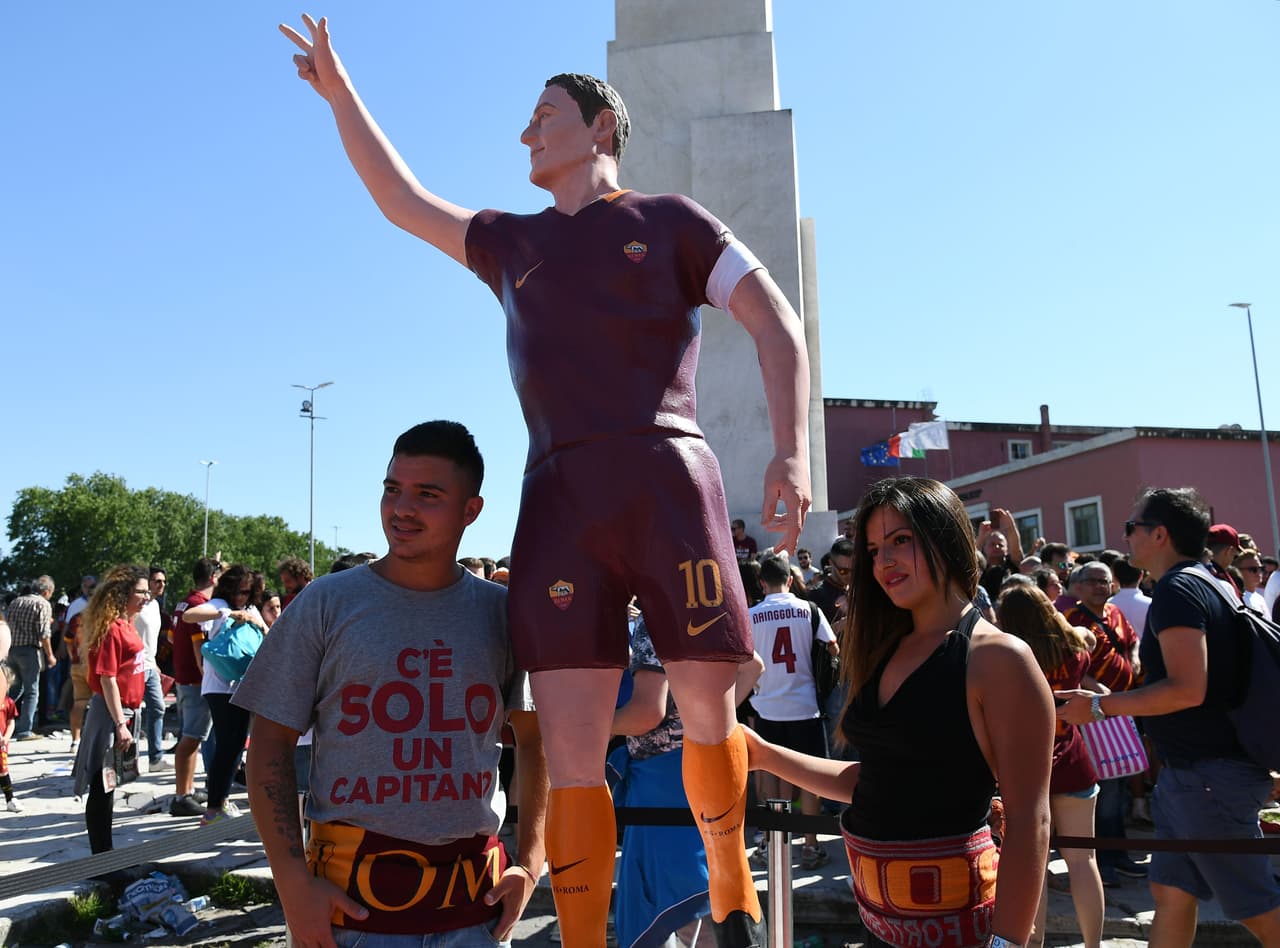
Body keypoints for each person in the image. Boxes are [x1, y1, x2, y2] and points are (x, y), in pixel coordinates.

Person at [281, 18, 812, 947]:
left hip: (670, 474)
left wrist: (792, 451)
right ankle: (581, 938)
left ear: (602, 127)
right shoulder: (509, 242)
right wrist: (340, 94)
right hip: (560, 496)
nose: (527, 134)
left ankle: (733, 892)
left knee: (704, 702)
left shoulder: (675, 221)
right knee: (568, 746)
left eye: (545, 116)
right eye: (525, 121)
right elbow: (402, 201)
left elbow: (776, 324)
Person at [235, 421, 547, 946]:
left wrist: (533, 862)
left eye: (427, 495)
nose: (401, 509)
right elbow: (268, 745)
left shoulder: (502, 613)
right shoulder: (326, 603)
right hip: (350, 919)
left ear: (471, 511)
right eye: (392, 489)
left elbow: (537, 740)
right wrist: (292, 886)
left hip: (475, 915)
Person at [743, 477, 1053, 948]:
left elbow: (1031, 817)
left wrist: (1008, 942)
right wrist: (763, 754)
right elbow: (875, 782)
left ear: (946, 538)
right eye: (872, 549)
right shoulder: (884, 649)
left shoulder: (999, 658)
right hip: (876, 926)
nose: (883, 561)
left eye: (900, 541)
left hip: (961, 931)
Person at [1058, 488, 1280, 943]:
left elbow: (1187, 688)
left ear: (1160, 534)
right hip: (1200, 776)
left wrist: (1098, 707)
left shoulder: (1179, 589)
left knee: (1258, 908)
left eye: (1131, 528)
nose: (1126, 538)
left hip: (1208, 780)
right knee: (1172, 891)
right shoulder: (1209, 579)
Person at [611, 615, 763, 948]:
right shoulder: (713, 608)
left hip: (662, 784)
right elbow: (754, 667)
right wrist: (705, 720)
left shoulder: (658, 618)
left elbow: (647, 713)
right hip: (709, 769)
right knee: (706, 893)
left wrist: (587, 727)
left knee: (668, 902)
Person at [996, 585, 1104, 948]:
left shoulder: (1008, 658)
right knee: (1084, 861)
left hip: (1027, 769)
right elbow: (1086, 640)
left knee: (1033, 868)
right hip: (1073, 761)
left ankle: (1033, 944)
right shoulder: (1075, 651)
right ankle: (1094, 945)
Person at [746, 554, 837, 870]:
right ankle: (810, 846)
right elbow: (832, 647)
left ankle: (772, 841)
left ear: (762, 582)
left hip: (767, 705)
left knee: (769, 772)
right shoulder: (808, 609)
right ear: (789, 579)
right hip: (805, 705)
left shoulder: (751, 614)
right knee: (811, 777)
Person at [70, 566, 150, 852]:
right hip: (110, 715)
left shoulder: (126, 623)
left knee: (109, 785)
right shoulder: (113, 629)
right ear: (123, 594)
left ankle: (105, 855)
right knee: (102, 785)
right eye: (141, 591)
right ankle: (101, 858)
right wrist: (119, 724)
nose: (147, 596)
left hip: (122, 713)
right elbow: (107, 678)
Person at [182, 564, 265, 825]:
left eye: (248, 592)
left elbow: (270, 634)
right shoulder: (219, 603)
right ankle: (214, 808)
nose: (242, 596)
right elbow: (190, 615)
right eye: (239, 591)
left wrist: (253, 619)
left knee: (236, 746)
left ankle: (221, 800)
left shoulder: (252, 609)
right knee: (227, 747)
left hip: (244, 683)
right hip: (219, 687)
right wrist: (225, 612)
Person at [169, 556, 220, 817]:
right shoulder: (200, 606)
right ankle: (181, 796)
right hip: (196, 681)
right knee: (191, 739)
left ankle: (187, 789)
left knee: (193, 738)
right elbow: (198, 646)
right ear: (213, 578)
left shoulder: (184, 603)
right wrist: (208, 679)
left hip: (184, 678)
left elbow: (171, 636)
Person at [4, 575, 57, 740]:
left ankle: (3, 720)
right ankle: (25, 730)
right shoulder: (42, 604)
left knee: (13, 689)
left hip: (12, 649)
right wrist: (50, 655)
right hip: (29, 651)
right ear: (46, 591)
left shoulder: (16, 602)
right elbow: (44, 632)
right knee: (32, 691)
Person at [133, 566, 170, 772]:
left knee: (158, 707)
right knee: (134, 712)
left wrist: (154, 661)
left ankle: (155, 758)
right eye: (157, 581)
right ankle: (129, 757)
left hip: (150, 664)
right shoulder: (138, 605)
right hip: (135, 666)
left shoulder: (155, 606)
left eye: (163, 581)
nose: (161, 585)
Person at [0, 662, 22, 811]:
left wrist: (6, 738)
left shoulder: (8, 702)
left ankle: (10, 799)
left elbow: (11, 722)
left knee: (3, 769)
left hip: (2, 744)